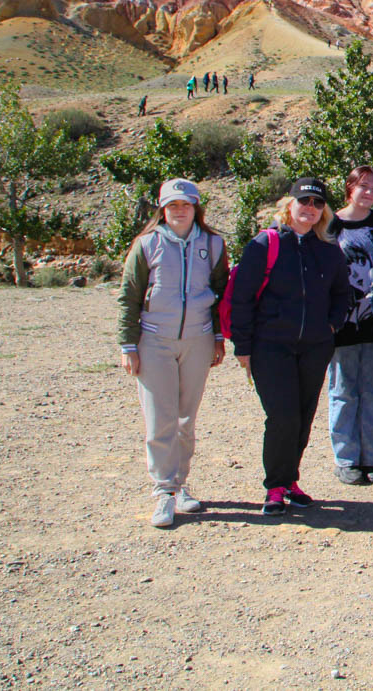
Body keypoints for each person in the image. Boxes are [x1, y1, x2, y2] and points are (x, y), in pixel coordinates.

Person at [228, 178, 352, 517]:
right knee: (281, 417)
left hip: (315, 346)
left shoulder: (328, 249)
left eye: (317, 203)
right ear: (290, 205)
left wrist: (331, 324)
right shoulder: (264, 245)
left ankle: (290, 481)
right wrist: (243, 344)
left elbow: (343, 294)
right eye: (304, 201)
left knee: (302, 417)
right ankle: (274, 486)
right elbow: (241, 297)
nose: (310, 208)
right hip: (271, 346)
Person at [117, 179, 229, 528]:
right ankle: (163, 491)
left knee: (185, 417)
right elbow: (129, 296)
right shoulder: (147, 244)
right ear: (162, 210)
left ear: (197, 208)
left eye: (186, 204)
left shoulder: (212, 244)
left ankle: (180, 484)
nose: (179, 211)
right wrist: (128, 344)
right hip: (154, 341)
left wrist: (218, 337)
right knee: (159, 417)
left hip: (197, 340)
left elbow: (220, 294)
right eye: (173, 205)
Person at [326, 166, 373, 486]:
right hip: (340, 324)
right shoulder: (329, 226)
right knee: (343, 392)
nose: (369, 192)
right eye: (363, 186)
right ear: (349, 187)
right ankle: (346, 458)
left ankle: (370, 459)